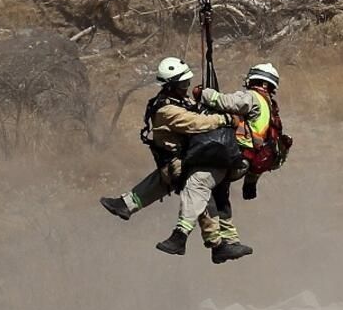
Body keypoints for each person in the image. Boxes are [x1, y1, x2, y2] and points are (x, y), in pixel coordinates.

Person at [99, 57, 253, 263]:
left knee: (183, 185)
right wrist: (224, 119)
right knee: (200, 186)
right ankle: (207, 242)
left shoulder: (177, 102)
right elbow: (196, 123)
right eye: (182, 84)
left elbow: (196, 110)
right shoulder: (166, 110)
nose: (186, 87)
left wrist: (207, 98)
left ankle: (126, 204)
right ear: (170, 86)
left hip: (181, 160)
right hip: (181, 163)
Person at [194, 63, 293, 239]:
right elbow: (263, 151)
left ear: (260, 82)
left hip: (234, 156)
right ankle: (230, 238)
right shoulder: (270, 108)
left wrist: (203, 94)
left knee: (200, 185)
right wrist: (250, 182)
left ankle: (207, 236)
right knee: (220, 192)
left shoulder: (253, 97)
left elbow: (227, 102)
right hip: (245, 164)